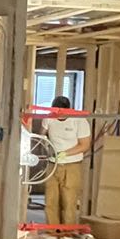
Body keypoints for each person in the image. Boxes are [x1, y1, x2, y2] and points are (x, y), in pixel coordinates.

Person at [41, 96, 91, 231]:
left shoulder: (79, 121)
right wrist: (45, 144)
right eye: (55, 112)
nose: (58, 115)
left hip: (72, 165)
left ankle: (67, 233)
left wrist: (65, 153)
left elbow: (84, 145)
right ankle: (53, 231)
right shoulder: (49, 118)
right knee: (50, 201)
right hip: (53, 165)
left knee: (69, 202)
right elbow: (42, 135)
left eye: (61, 112)